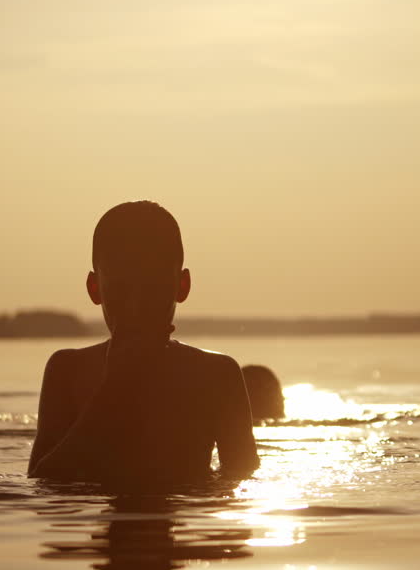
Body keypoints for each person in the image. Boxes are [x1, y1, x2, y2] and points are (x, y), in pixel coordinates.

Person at [27, 201, 260, 485]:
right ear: (95, 288)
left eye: (153, 289)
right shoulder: (67, 370)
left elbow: (243, 479)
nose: (136, 307)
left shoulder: (217, 375)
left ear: (182, 286)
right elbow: (42, 483)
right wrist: (115, 387)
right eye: (122, 290)